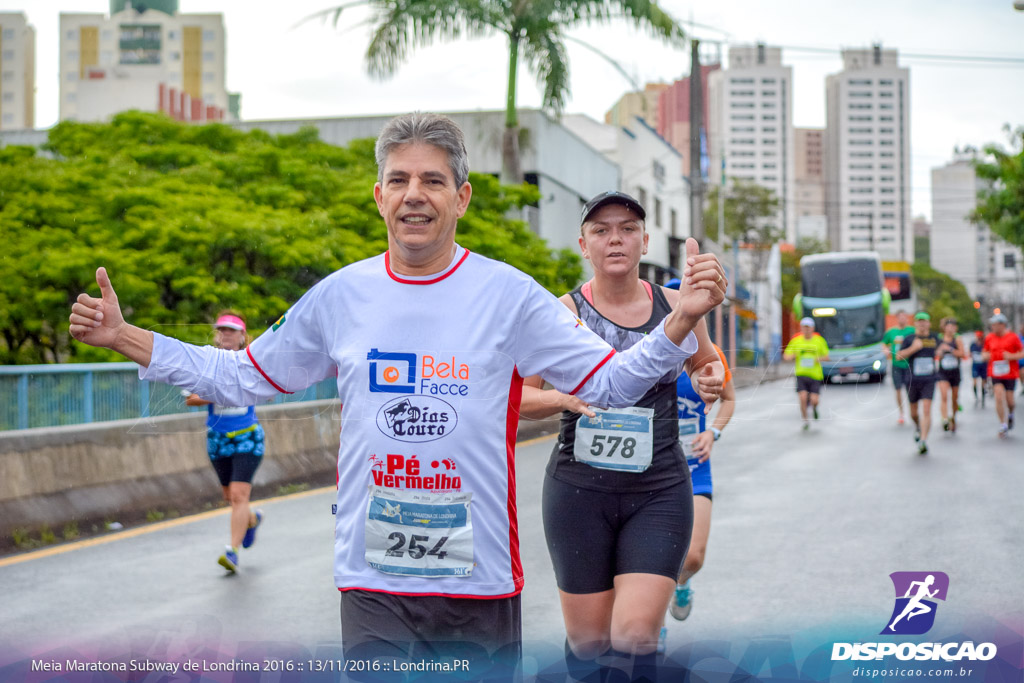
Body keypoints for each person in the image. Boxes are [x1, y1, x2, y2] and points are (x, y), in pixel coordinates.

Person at [68, 113, 728, 671]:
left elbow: (610, 382)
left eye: (433, 180)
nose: (416, 193)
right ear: (378, 196)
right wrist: (127, 335)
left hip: (478, 581)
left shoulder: (510, 297)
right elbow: (238, 376)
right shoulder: (339, 297)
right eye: (400, 180)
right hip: (372, 578)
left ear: (462, 197)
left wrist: (680, 320)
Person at [516, 192, 725, 681]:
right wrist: (564, 400)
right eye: (602, 230)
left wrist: (709, 379)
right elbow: (520, 400)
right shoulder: (560, 313)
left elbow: (706, 361)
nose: (616, 238)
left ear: (645, 241)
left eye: (628, 228)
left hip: (657, 490)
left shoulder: (676, 303)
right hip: (578, 492)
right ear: (584, 245)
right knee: (590, 646)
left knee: (634, 639)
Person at [182, 312, 265, 573]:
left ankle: (232, 553)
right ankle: (251, 520)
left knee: (240, 495)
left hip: (248, 437)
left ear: (243, 336)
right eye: (222, 330)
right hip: (217, 438)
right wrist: (222, 389)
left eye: (232, 330)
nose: (226, 334)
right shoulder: (205, 364)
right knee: (230, 496)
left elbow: (266, 388)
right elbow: (191, 398)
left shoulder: (252, 362)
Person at [664, 328, 735, 622]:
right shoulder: (645, 352)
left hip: (694, 465)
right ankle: (655, 620)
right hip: (652, 467)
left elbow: (729, 399)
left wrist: (713, 431)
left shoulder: (708, 354)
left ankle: (681, 583)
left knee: (693, 555)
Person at [896, 312, 940, 455]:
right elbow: (898, 356)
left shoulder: (934, 338)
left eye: (924, 321)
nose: (922, 324)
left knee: (927, 410)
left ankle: (923, 440)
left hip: (929, 380)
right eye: (919, 321)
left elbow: (943, 349)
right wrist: (913, 348)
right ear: (915, 323)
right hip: (912, 380)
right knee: (914, 413)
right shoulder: (909, 339)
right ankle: (918, 427)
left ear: (928, 323)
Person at [783, 317, 830, 430]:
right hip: (801, 374)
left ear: (812, 328)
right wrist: (794, 355)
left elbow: (827, 357)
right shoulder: (796, 341)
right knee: (802, 397)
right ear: (802, 328)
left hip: (815, 375)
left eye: (808, 327)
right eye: (804, 327)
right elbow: (786, 356)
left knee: (814, 400)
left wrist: (817, 359)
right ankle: (805, 420)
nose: (806, 329)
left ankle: (814, 408)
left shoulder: (819, 341)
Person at [982, 313, 1023, 438]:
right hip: (995, 373)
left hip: (1010, 374)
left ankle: (1010, 414)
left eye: (995, 324)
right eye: (992, 324)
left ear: (1002, 325)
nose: (992, 327)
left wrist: (1011, 356)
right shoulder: (989, 337)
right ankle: (1003, 424)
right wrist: (985, 356)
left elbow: (1022, 352)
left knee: (1010, 402)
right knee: (998, 396)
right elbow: (984, 352)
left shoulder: (1013, 337)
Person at [882, 311, 916, 425]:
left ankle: (912, 411)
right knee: (898, 389)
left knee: (909, 389)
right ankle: (901, 413)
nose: (903, 319)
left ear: (907, 318)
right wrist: (886, 350)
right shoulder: (891, 332)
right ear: (897, 318)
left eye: (904, 317)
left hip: (909, 365)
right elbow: (884, 343)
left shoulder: (912, 331)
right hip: (896, 364)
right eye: (900, 317)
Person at [935, 317, 966, 434]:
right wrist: (941, 352)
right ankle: (944, 420)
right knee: (943, 396)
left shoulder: (957, 339)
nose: (951, 329)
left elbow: (963, 354)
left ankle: (953, 417)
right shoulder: (940, 339)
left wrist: (950, 350)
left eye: (953, 327)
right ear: (944, 328)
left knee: (954, 398)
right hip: (943, 372)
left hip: (955, 372)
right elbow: (936, 353)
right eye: (948, 326)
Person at [969, 329, 989, 407]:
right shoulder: (973, 345)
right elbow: (970, 354)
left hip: (984, 365)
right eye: (977, 336)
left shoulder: (985, 344)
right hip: (975, 365)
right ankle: (976, 397)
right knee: (975, 382)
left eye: (980, 336)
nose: (978, 338)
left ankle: (983, 399)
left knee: (983, 383)